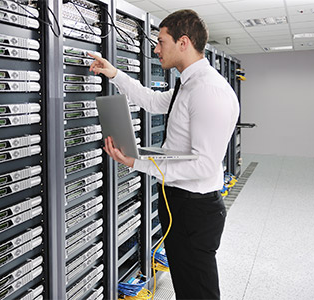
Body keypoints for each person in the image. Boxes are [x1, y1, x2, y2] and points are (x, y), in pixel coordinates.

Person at [89, 9, 239, 300]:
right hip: (179, 204)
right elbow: (153, 101)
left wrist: (137, 163)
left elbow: (205, 165)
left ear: (183, 42)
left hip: (195, 210)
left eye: (161, 41)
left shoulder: (209, 90)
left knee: (199, 292)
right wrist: (115, 73)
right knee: (187, 288)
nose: (156, 49)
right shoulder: (189, 85)